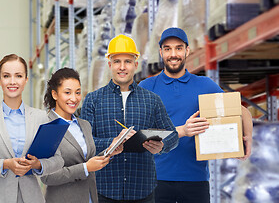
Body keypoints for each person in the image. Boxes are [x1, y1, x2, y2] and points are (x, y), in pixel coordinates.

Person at [138, 27, 253, 203]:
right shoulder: (147, 87)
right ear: (161, 52)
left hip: (195, 180)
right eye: (167, 49)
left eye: (178, 48)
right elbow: (140, 134)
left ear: (187, 51)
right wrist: (182, 130)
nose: (173, 54)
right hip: (155, 180)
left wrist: (247, 139)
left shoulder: (205, 85)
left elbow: (241, 111)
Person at [80, 34, 179, 203]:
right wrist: (111, 143)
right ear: (110, 64)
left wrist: (161, 146)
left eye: (127, 61)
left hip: (142, 189)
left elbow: (173, 135)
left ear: (135, 64)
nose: (122, 67)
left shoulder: (152, 100)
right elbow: (84, 142)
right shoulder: (93, 100)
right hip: (105, 188)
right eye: (117, 61)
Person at [0, 54, 63, 203]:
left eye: (18, 76)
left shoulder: (41, 118)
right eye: (6, 76)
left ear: (26, 80)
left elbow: (58, 160)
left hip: (32, 197)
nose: (12, 81)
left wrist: (38, 165)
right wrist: (4, 164)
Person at [41, 67, 127, 203]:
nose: (74, 98)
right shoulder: (47, 126)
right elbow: (47, 176)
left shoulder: (84, 124)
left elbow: (87, 159)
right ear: (55, 94)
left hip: (89, 197)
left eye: (78, 92)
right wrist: (85, 168)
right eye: (67, 93)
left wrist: (109, 151)